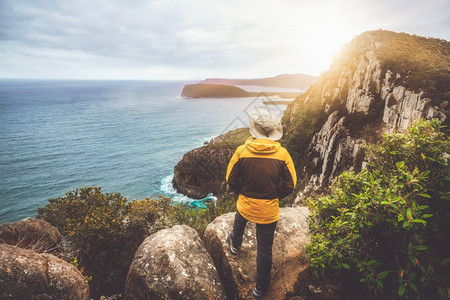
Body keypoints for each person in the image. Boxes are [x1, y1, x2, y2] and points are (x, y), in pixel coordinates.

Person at [225, 111, 297, 298]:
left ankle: (235, 243)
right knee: (264, 251)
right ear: (273, 132)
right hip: (269, 210)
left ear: (254, 131)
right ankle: (261, 288)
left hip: (246, 204)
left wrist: (242, 192)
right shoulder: (282, 154)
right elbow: (291, 184)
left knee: (240, 218)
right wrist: (275, 195)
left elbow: (230, 179)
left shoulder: (241, 151)